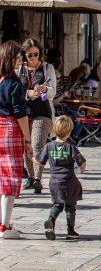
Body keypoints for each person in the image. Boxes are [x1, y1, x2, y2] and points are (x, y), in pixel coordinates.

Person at [0, 41, 33, 239]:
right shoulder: (15, 84)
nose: (20, 62)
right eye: (18, 58)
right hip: (11, 130)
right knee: (10, 176)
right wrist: (28, 140)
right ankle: (5, 225)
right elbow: (20, 114)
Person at [36, 115, 85, 241]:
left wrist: (31, 156)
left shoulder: (49, 146)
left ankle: (51, 220)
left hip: (54, 181)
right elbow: (82, 163)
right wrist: (80, 169)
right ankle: (70, 231)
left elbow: (39, 162)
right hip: (69, 181)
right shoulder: (70, 147)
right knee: (70, 206)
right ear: (69, 132)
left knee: (57, 204)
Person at [19, 38, 57, 194]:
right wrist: (28, 93)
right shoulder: (19, 70)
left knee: (36, 144)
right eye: (30, 55)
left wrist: (43, 89)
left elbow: (53, 92)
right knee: (26, 146)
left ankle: (37, 179)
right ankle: (30, 176)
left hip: (42, 113)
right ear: (24, 56)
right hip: (24, 113)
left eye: (36, 54)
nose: (33, 58)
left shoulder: (48, 68)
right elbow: (14, 92)